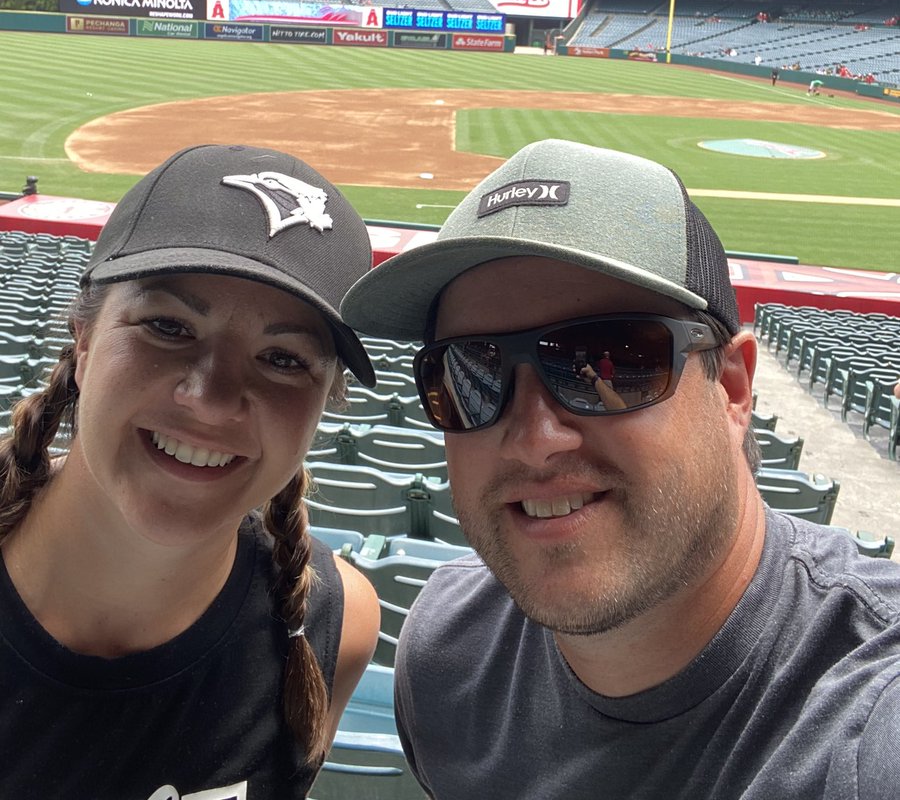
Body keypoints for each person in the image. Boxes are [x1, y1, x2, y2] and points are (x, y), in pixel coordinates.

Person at [341, 139, 900, 800]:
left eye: (610, 357)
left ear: (732, 389)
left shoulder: (866, 724)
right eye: (470, 375)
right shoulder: (444, 656)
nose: (533, 439)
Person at [0, 143, 381, 798]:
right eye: (168, 326)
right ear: (84, 342)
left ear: (322, 405)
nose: (209, 399)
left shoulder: (334, 622)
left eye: (284, 359)